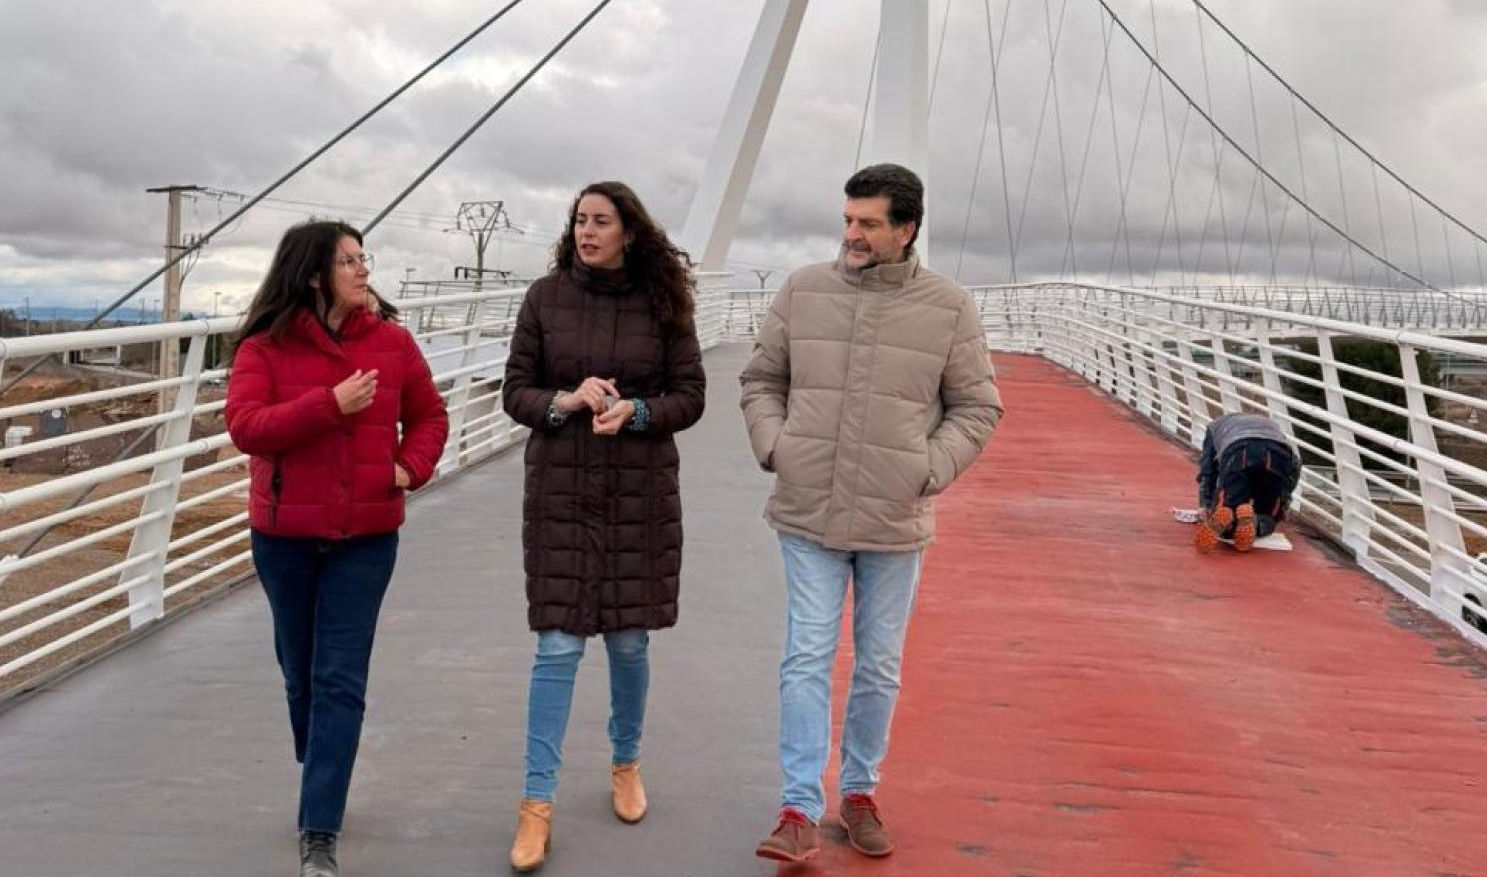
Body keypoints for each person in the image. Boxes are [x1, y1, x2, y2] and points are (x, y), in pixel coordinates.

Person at [740, 163, 1003, 863]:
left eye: (867, 223)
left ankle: (859, 793)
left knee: (879, 666)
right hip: (809, 510)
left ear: (906, 229)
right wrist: (776, 446)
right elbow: (762, 379)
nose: (850, 234)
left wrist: (929, 468)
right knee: (806, 657)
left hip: (895, 518)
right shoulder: (804, 290)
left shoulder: (949, 307)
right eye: (847, 220)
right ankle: (798, 806)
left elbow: (979, 406)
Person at [225, 219, 449, 877]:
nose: (364, 269)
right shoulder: (263, 347)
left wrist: (409, 467)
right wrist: (330, 403)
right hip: (284, 539)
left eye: (364, 258)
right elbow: (246, 427)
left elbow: (431, 415)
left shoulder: (393, 343)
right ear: (316, 273)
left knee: (339, 681)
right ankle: (323, 754)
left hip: (366, 539)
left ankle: (318, 828)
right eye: (350, 260)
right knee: (301, 676)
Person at [499, 181, 706, 873]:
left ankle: (625, 761)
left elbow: (691, 395)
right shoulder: (544, 298)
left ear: (628, 231)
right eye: (579, 221)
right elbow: (515, 390)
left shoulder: (665, 303)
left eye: (601, 221)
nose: (587, 231)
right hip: (560, 490)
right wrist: (565, 399)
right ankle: (536, 806)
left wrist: (638, 414)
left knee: (628, 642)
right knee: (556, 647)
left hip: (637, 493)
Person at [1194, 411, 1301, 552]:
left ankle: (1228, 524)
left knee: (1230, 508)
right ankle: (1256, 522)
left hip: (1237, 449)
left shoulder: (1214, 427)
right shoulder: (1271, 426)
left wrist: (1205, 504)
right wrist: (1283, 503)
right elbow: (1294, 466)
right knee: (1268, 515)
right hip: (1277, 452)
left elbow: (1207, 471)